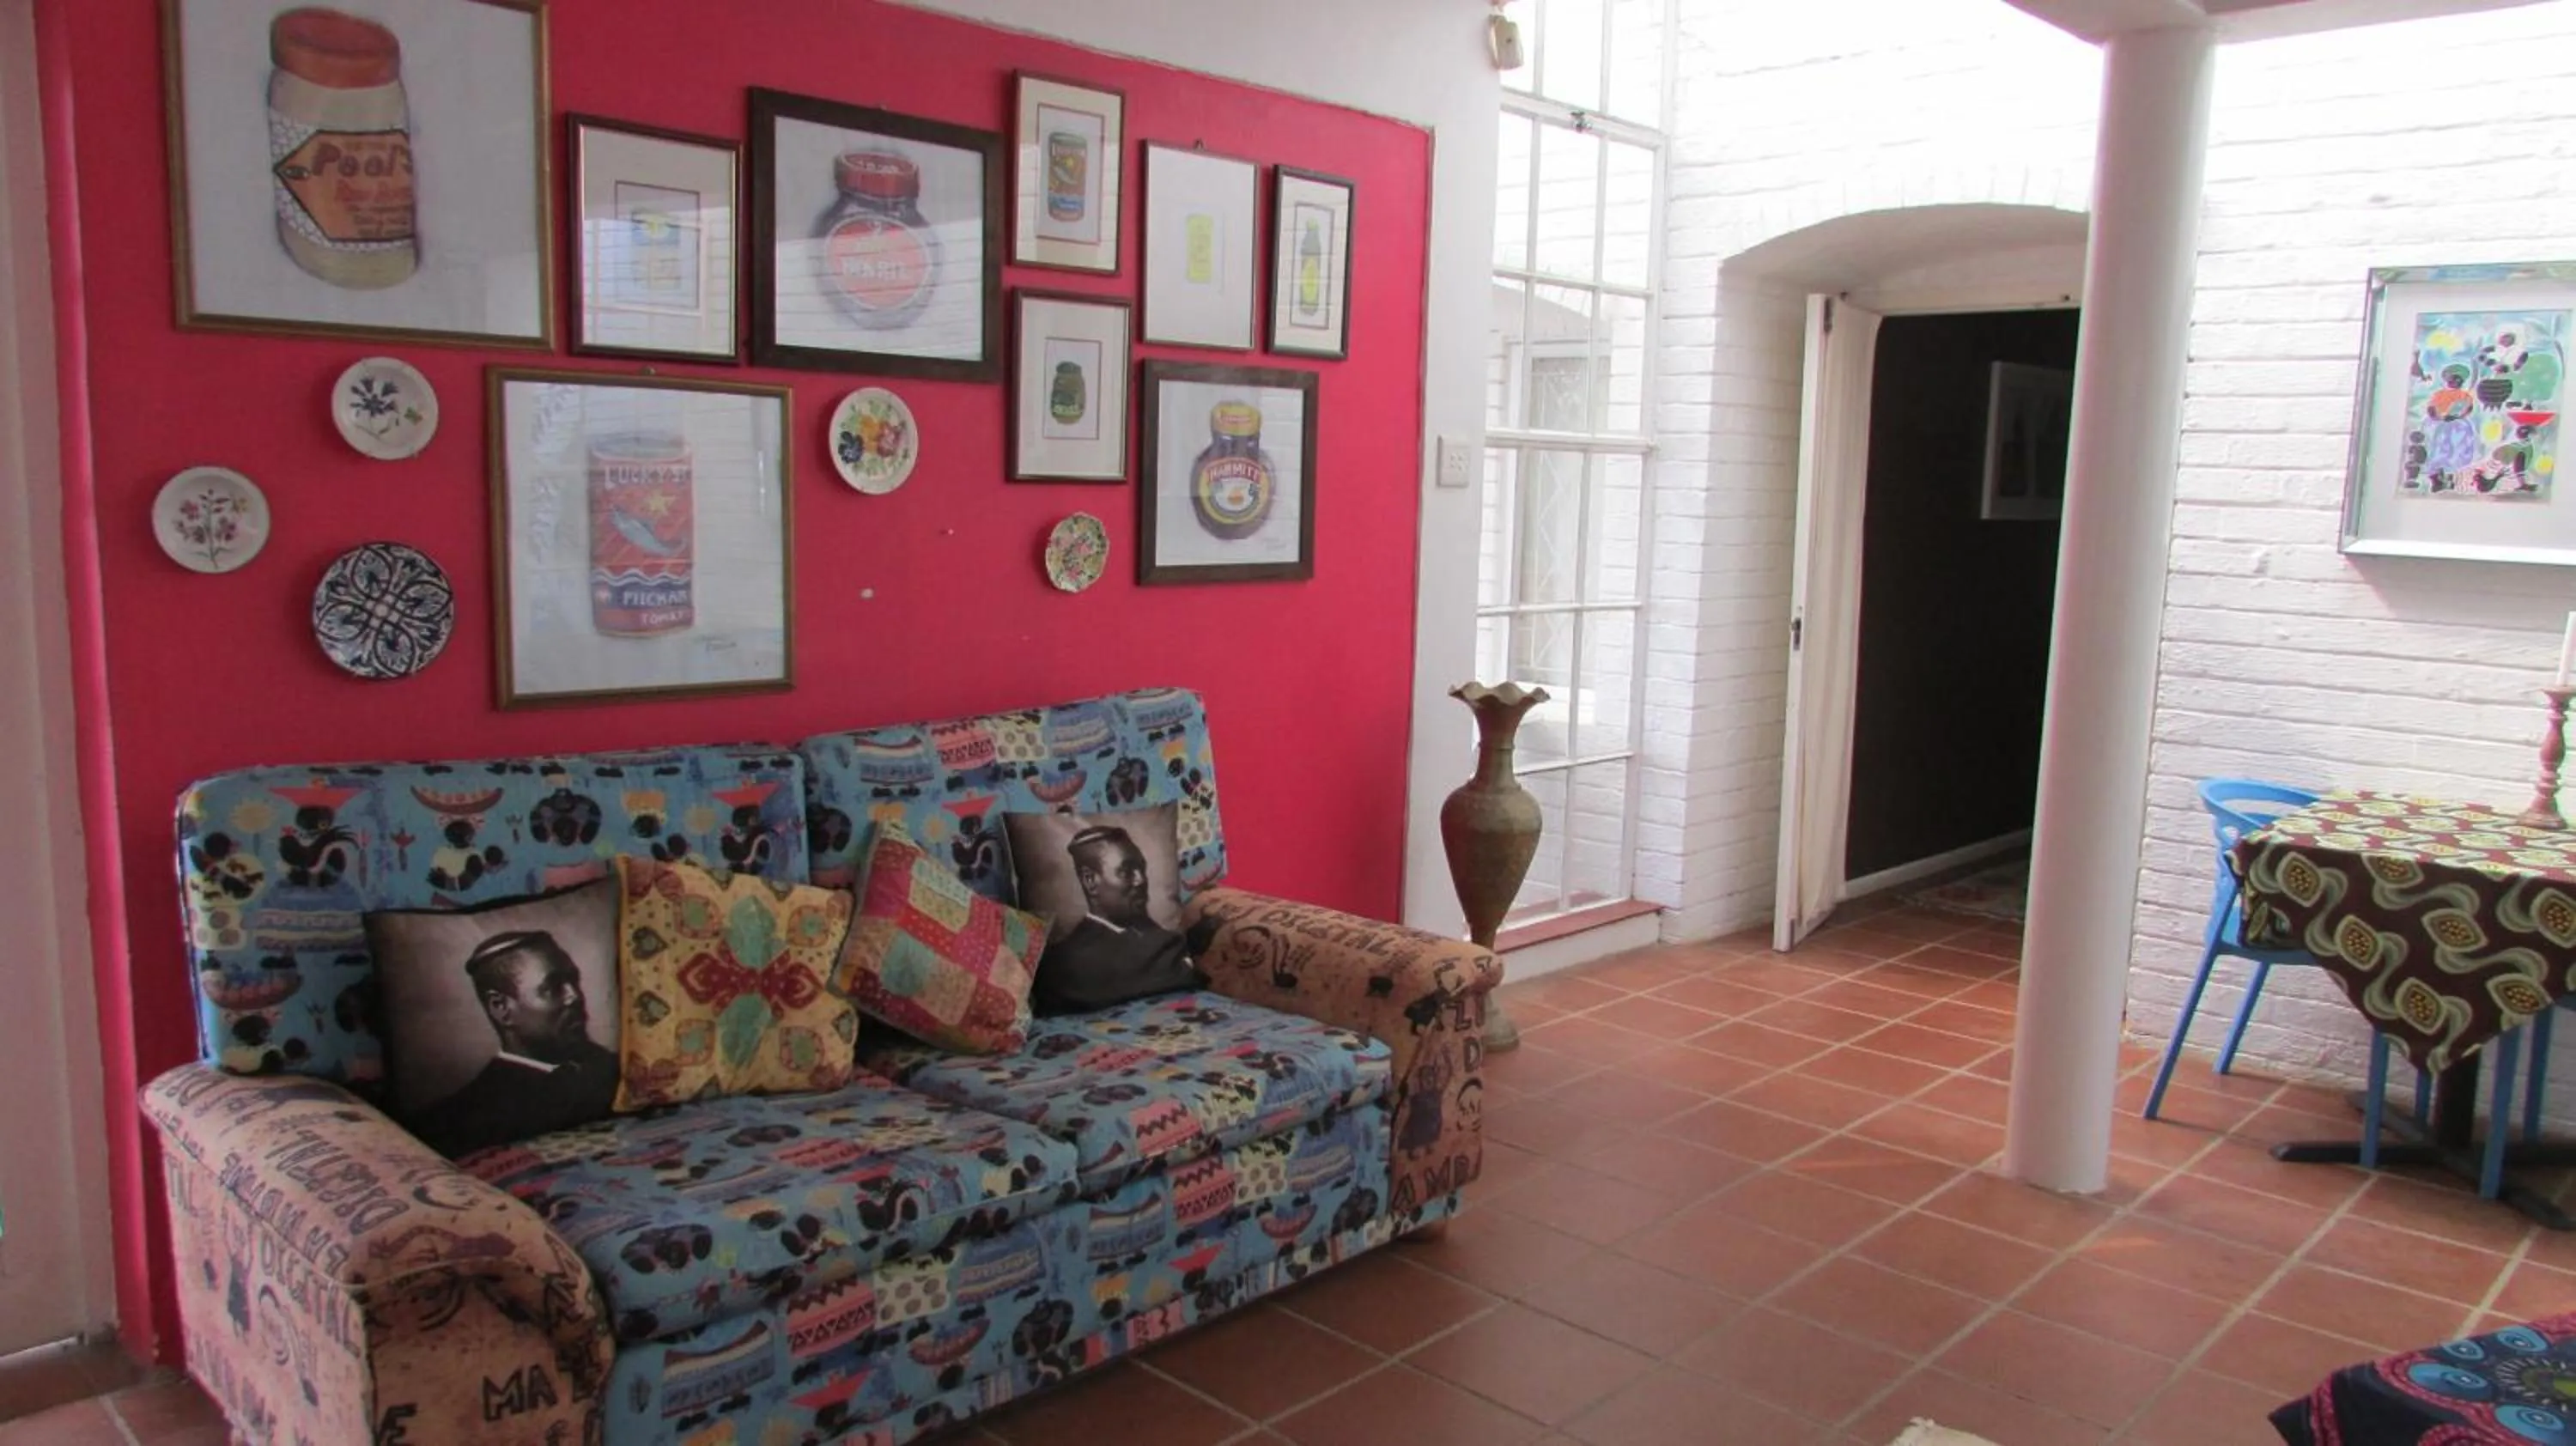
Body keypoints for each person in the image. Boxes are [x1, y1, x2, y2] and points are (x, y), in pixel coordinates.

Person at [410, 929, 618, 1156]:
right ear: (501, 1008)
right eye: (553, 987)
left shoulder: (623, 1070)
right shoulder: (455, 1120)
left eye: (573, 980)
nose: (574, 996)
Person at [1036, 826, 1201, 1014]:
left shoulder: (1165, 940)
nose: (1140, 880)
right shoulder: (1068, 961)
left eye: (1141, 868)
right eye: (1126, 871)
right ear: (1090, 881)